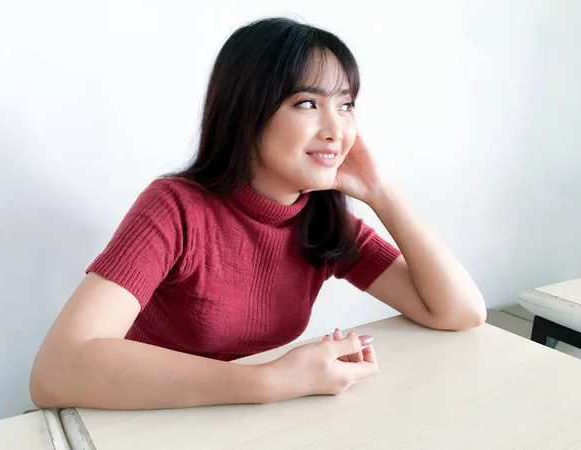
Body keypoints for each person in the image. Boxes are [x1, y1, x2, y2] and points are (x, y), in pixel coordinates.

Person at [30, 17, 486, 410]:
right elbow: (57, 370)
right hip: (141, 422)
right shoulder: (175, 208)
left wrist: (381, 192)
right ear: (247, 112)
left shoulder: (322, 222)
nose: (336, 129)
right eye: (307, 103)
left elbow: (459, 312)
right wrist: (270, 381)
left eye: (346, 105)